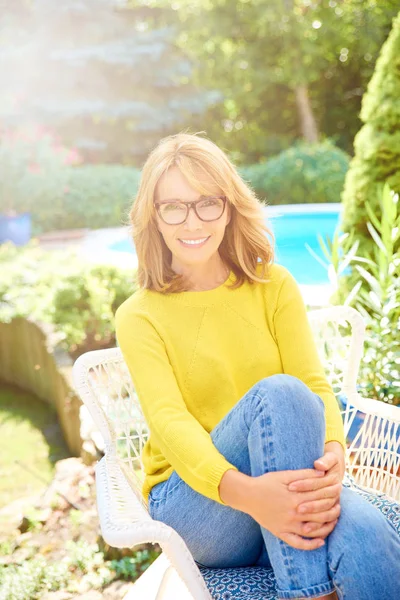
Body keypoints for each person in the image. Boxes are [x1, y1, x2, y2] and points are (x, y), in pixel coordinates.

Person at [115, 132, 400, 600]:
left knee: (366, 532)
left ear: (229, 207)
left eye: (208, 202)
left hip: (286, 488)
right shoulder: (139, 316)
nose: (193, 220)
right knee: (281, 394)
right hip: (201, 507)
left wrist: (333, 451)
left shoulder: (275, 286)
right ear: (154, 217)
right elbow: (169, 424)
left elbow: (315, 384)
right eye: (174, 206)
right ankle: (310, 593)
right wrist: (250, 495)